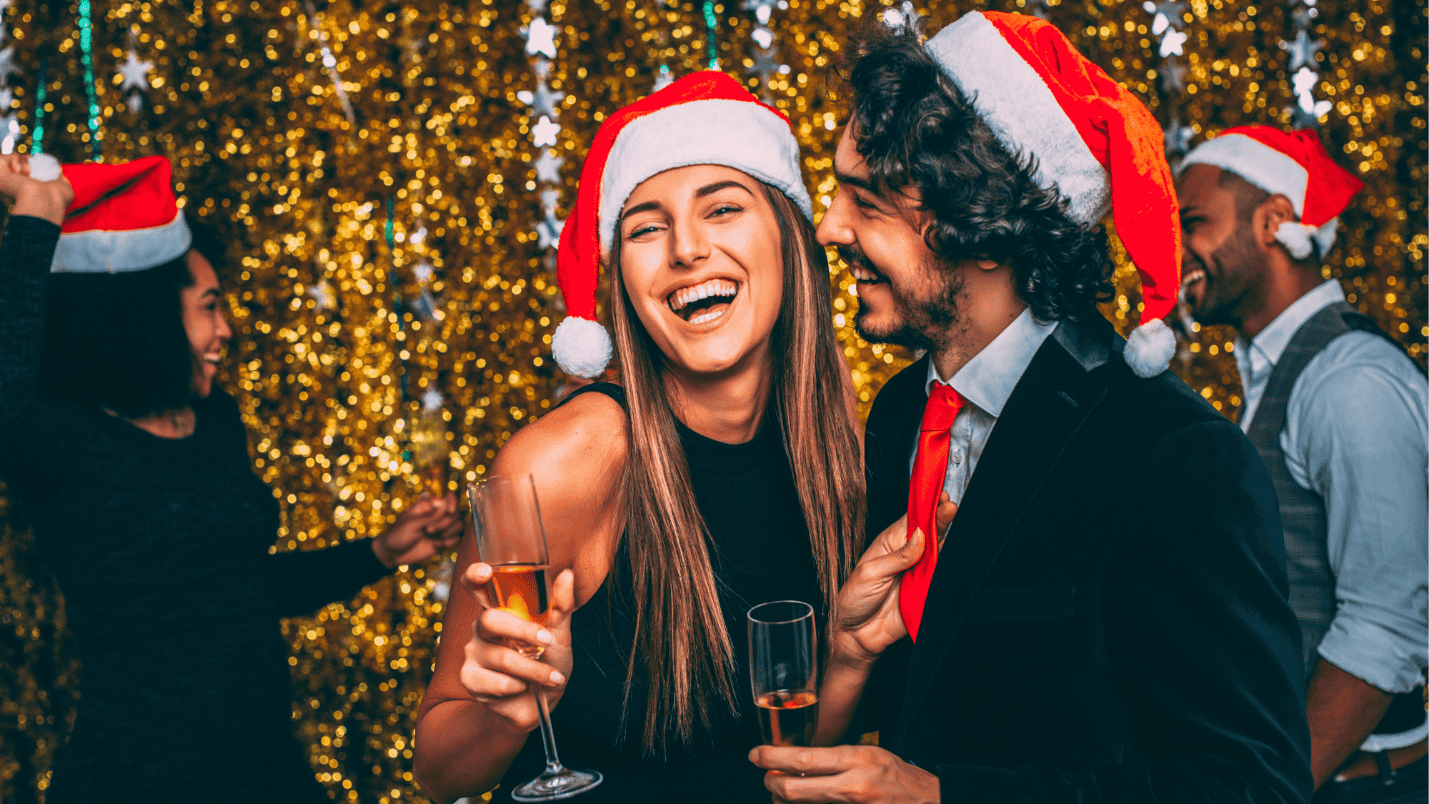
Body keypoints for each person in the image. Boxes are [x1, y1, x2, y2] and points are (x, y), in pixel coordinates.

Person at [747, 12, 1315, 803]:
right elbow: (941, 694)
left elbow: (1251, 783)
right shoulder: (902, 413)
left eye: (868, 204)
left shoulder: (1172, 458)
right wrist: (848, 654)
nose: (829, 227)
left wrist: (945, 797)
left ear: (984, 231)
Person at [412, 72, 865, 804]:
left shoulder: (834, 442)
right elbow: (438, 771)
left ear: (787, 238)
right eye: (646, 227)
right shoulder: (567, 460)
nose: (686, 249)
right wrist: (506, 715)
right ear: (621, 278)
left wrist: (847, 656)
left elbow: (786, 760)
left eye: (721, 209)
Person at [0, 152, 462, 803]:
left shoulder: (211, 419)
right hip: (139, 781)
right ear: (147, 315)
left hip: (265, 768)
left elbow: (239, 587)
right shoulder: (66, 441)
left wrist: (379, 552)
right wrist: (34, 214)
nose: (226, 329)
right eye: (209, 306)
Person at [1177, 126, 1427, 801]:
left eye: (1192, 223)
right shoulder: (1276, 371)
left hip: (1352, 786)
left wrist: (1272, 788)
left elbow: (1386, 625)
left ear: (1274, 221)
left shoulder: (1350, 381)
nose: (1177, 251)